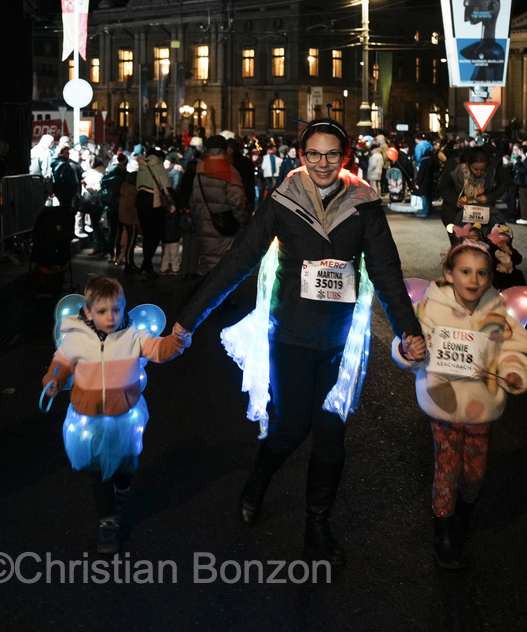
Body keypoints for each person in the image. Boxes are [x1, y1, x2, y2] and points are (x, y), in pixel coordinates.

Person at [174, 119, 426, 567]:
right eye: (314, 154)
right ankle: (258, 479)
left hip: (339, 341)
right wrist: (186, 322)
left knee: (331, 435)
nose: (323, 163)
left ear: (345, 156)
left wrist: (409, 330)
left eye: (332, 154)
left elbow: (386, 272)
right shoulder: (283, 202)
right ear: (301, 155)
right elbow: (237, 263)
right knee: (290, 429)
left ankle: (317, 525)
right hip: (289, 334)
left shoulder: (364, 205)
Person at [394, 240, 527, 568]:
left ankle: (464, 515)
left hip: (481, 407)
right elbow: (411, 346)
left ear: (490, 276)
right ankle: (442, 531)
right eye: (465, 272)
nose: (473, 280)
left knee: (474, 473)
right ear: (449, 273)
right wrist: (407, 351)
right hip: (442, 404)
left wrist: (513, 372)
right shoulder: (430, 310)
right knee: (447, 469)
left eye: (482, 273)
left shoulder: (498, 313)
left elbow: (517, 349)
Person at [42, 277, 190, 555]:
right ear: (87, 312)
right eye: (102, 311)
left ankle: (122, 488)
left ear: (123, 309)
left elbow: (160, 350)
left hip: (125, 418)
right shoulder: (75, 338)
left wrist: (178, 341)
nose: (110, 317)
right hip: (89, 419)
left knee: (126, 466)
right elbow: (62, 362)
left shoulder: (133, 335)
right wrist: (54, 379)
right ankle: (107, 522)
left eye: (116, 310)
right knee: (98, 471)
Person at [188, 135, 248, 276]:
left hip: (203, 225)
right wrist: (244, 221)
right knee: (223, 268)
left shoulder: (199, 169)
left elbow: (193, 199)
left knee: (208, 265)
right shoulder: (229, 170)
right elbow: (237, 203)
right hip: (224, 227)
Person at [438, 148, 506, 235]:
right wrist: (456, 201)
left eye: (483, 170)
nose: (479, 173)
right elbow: (443, 188)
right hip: (456, 212)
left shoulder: (494, 167)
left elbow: (506, 183)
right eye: (475, 169)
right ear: (468, 164)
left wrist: (489, 197)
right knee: (458, 240)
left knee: (482, 238)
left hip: (482, 212)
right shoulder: (454, 168)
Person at [135, 146, 174, 279]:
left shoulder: (141, 166)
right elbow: (167, 186)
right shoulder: (158, 166)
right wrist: (171, 202)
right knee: (155, 235)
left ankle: (147, 266)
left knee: (147, 234)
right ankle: (146, 265)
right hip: (154, 203)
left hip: (140, 202)